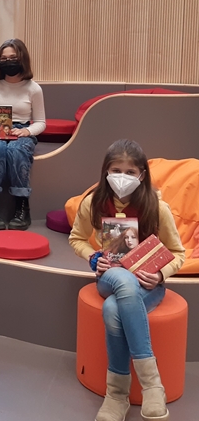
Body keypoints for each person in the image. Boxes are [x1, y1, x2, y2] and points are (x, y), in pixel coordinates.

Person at [69, 139, 184, 421]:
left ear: (142, 175)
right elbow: (77, 238)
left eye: (130, 172)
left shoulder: (158, 207)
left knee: (112, 309)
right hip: (109, 278)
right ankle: (152, 386)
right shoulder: (93, 202)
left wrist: (160, 274)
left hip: (148, 286)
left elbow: (178, 252)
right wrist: (93, 258)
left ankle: (116, 396)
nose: (122, 177)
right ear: (106, 172)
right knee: (121, 279)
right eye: (116, 170)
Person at [0, 39, 45, 231]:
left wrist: (26, 131)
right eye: (4, 58)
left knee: (16, 150)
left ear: (22, 58)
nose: (8, 62)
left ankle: (22, 206)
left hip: (22, 130)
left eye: (13, 57)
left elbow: (41, 122)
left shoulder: (34, 88)